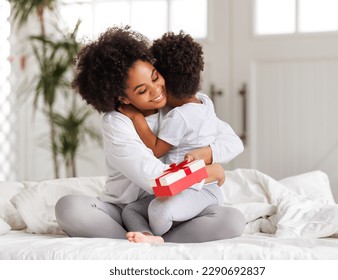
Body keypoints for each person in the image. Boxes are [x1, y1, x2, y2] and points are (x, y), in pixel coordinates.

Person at [55, 26, 245, 243]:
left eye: (155, 77)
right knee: (69, 207)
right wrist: (211, 172)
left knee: (232, 219)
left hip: (173, 206)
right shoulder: (117, 122)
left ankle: (151, 241)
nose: (156, 91)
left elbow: (231, 141)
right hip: (127, 210)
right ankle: (143, 238)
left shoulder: (177, 106)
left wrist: (208, 155)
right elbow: (157, 180)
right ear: (123, 98)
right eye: (142, 91)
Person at [119, 31, 239, 239]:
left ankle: (160, 237)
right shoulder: (204, 103)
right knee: (131, 210)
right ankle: (148, 236)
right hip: (184, 187)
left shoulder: (179, 116)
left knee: (157, 210)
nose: (155, 89)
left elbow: (156, 150)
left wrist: (137, 118)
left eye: (156, 78)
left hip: (197, 188)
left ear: (166, 83)